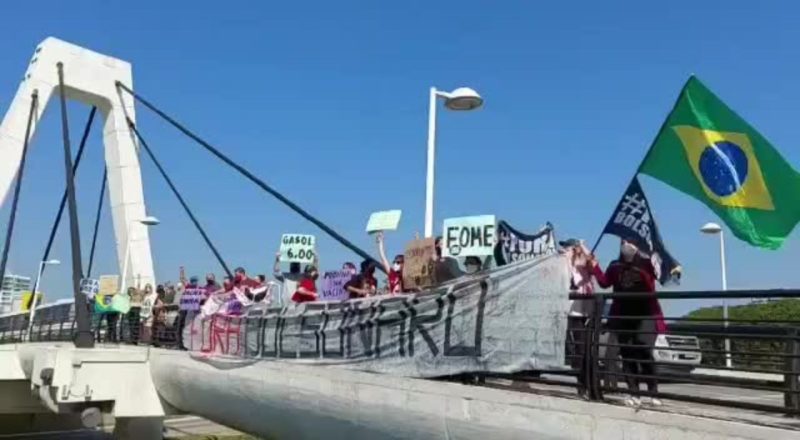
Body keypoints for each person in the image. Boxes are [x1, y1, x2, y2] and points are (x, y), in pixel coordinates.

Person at [591, 239, 666, 407]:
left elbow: (661, 275)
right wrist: (594, 266)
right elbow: (604, 283)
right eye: (624, 242)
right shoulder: (615, 265)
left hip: (646, 314)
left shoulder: (647, 263)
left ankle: (653, 391)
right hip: (623, 315)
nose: (627, 245)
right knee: (628, 355)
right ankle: (634, 393)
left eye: (631, 242)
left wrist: (658, 259)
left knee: (645, 350)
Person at [558, 238, 596, 398]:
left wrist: (582, 248)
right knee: (575, 353)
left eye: (569, 247)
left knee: (584, 350)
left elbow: (593, 262)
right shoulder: (563, 266)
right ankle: (581, 385)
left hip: (584, 314)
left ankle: (589, 385)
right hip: (569, 313)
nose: (566, 250)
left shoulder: (583, 265)